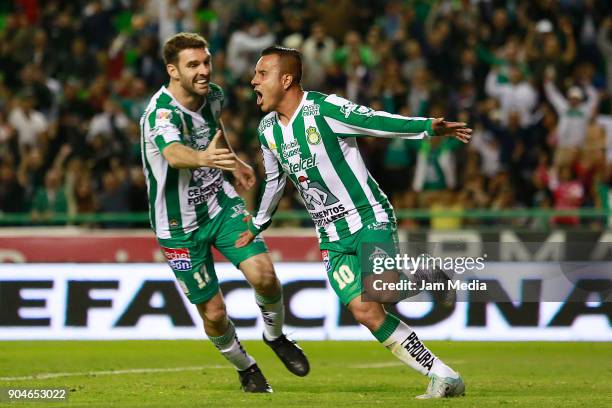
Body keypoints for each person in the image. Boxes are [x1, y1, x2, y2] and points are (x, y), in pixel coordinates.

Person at [236, 45, 472, 399]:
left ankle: (428, 274)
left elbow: (374, 121)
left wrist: (427, 127)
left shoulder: (324, 109)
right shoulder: (267, 129)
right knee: (365, 311)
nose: (253, 80)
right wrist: (258, 222)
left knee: (383, 291)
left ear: (286, 80)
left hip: (366, 217)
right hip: (330, 237)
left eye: (261, 73)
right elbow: (274, 181)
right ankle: (443, 376)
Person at [139, 33, 309, 393]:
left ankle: (275, 336)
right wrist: (203, 159)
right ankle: (246, 367)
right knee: (214, 314)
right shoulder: (161, 113)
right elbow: (173, 154)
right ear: (172, 70)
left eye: (206, 62)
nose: (203, 71)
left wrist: (234, 163)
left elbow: (213, 132)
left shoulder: (212, 96)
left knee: (264, 276)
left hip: (220, 205)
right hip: (178, 228)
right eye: (193, 65)